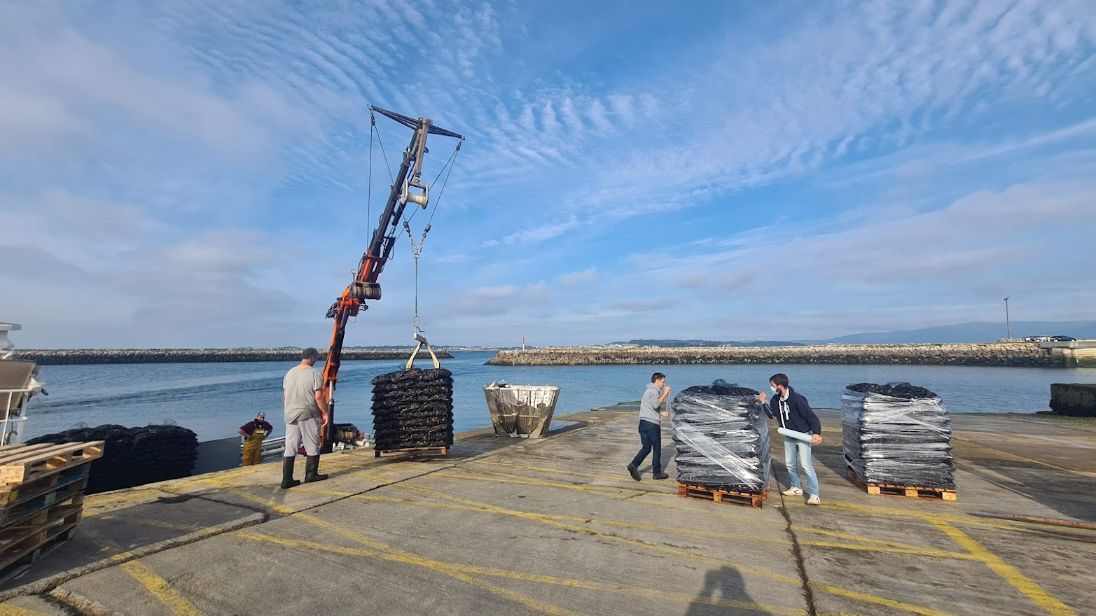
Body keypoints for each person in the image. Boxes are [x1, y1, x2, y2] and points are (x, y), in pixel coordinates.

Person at [758, 373, 822, 505]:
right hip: (788, 434)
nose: (771, 387)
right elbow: (772, 415)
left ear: (780, 386)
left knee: (806, 465)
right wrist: (763, 403)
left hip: (802, 435)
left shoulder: (797, 399)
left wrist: (816, 433)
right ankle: (796, 487)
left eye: (773, 385)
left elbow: (811, 416)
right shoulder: (776, 400)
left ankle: (815, 494)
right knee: (790, 464)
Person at [281, 347, 330, 489]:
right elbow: (319, 396)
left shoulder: (289, 373)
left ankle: (287, 479)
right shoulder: (314, 374)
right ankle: (311, 475)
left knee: (290, 447)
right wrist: (325, 413)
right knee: (312, 445)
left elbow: (284, 397)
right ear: (313, 357)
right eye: (316, 358)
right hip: (307, 413)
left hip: (290, 414)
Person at [627, 372, 671, 481]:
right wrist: (665, 393)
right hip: (651, 425)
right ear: (657, 381)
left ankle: (633, 465)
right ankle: (657, 473)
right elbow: (656, 404)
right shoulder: (653, 391)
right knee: (657, 449)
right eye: (663, 382)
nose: (664, 384)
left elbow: (650, 408)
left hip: (643, 424)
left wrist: (660, 413)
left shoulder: (648, 391)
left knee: (646, 448)